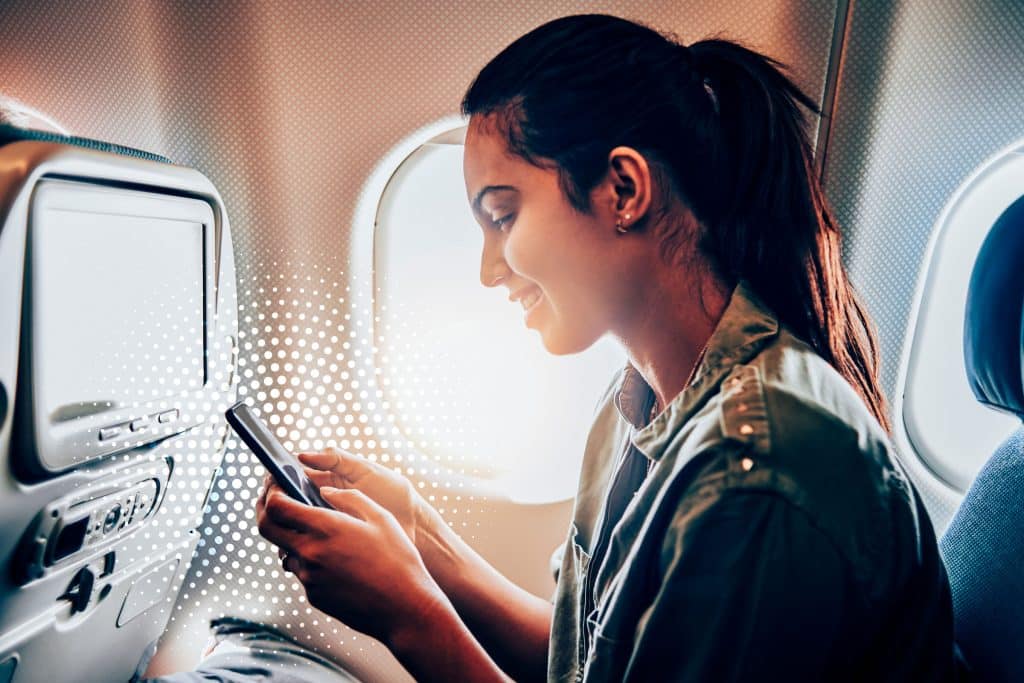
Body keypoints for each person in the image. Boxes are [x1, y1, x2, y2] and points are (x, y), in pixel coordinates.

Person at [250, 13, 963, 682]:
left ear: (624, 188)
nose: (487, 269)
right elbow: (584, 660)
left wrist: (404, 613)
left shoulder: (759, 471)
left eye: (503, 216)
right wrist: (421, 540)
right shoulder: (638, 400)